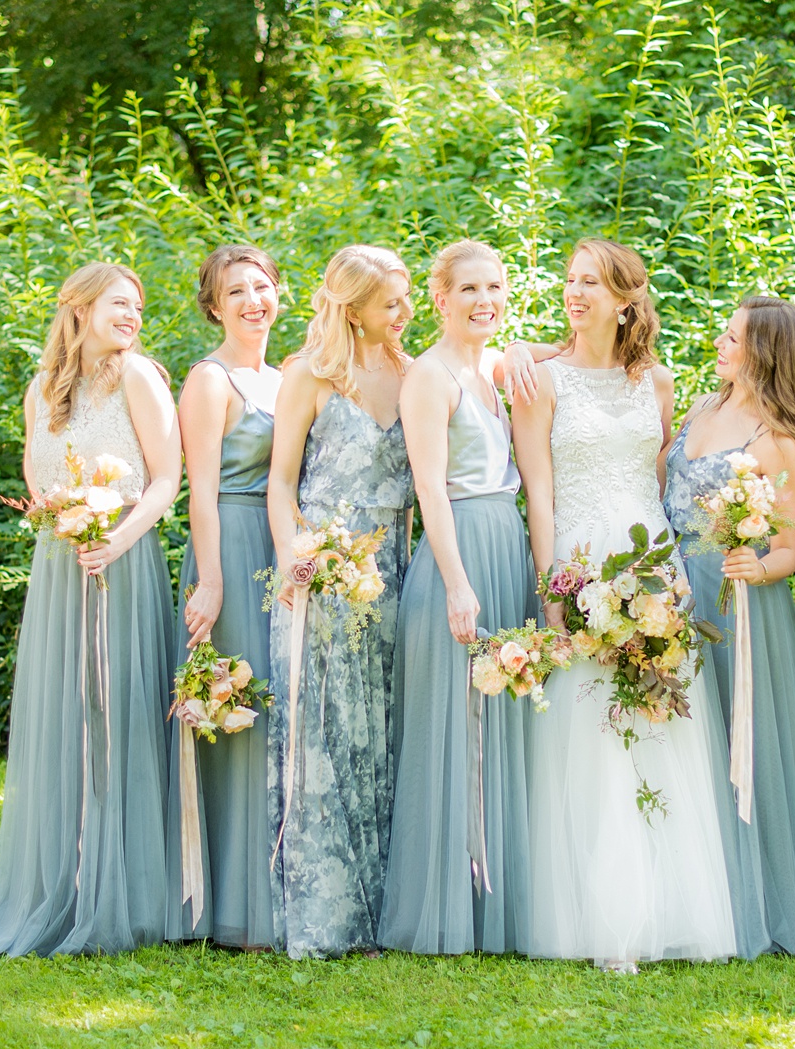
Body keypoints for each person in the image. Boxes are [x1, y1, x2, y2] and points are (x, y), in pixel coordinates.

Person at [513, 238, 737, 972]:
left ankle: (665, 907)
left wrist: (670, 582)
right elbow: (538, 489)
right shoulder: (541, 379)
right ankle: (598, 918)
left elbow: (658, 476)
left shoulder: (658, 382)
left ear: (625, 299)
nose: (575, 292)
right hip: (578, 560)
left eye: (592, 283)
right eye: (569, 279)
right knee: (590, 730)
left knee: (654, 718)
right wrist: (554, 588)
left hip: (651, 562)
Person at [0, 262, 180, 957]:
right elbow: (38, 476)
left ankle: (117, 885)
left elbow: (168, 478)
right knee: (65, 713)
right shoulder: (43, 389)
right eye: (120, 302)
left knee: (114, 713)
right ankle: (63, 877)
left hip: (121, 560)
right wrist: (63, 515)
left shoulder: (139, 377)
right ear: (78, 308)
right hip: (60, 565)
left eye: (137, 305)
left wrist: (114, 536)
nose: (132, 314)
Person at [378, 240, 540, 955]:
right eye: (468, 289)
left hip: (503, 541)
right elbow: (429, 486)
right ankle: (444, 906)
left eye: (495, 287)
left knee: (496, 725)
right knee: (451, 728)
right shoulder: (430, 377)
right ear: (439, 300)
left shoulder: (490, 370)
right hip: (461, 553)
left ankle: (493, 894)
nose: (484, 300)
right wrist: (457, 581)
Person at [661, 295, 795, 958]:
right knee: (684, 739)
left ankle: (751, 900)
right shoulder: (703, 408)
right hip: (671, 582)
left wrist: (752, 569)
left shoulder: (777, 439)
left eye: (733, 338)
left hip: (736, 600)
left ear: (765, 352)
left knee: (739, 743)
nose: (720, 345)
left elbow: (790, 549)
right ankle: (689, 893)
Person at [266, 244, 417, 957]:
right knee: (324, 733)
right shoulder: (310, 375)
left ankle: (387, 904)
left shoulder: (411, 373)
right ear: (353, 309)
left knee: (383, 730)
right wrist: (300, 558)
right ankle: (326, 913)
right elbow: (280, 483)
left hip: (394, 566)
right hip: (322, 570)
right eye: (391, 302)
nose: (404, 312)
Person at [167, 245, 283, 949]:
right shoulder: (210, 381)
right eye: (234, 290)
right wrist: (209, 579)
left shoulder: (282, 375)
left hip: (277, 552)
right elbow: (199, 491)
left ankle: (272, 887)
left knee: (273, 712)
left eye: (261, 286)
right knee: (235, 709)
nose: (251, 301)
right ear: (214, 305)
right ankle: (227, 904)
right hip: (229, 551)